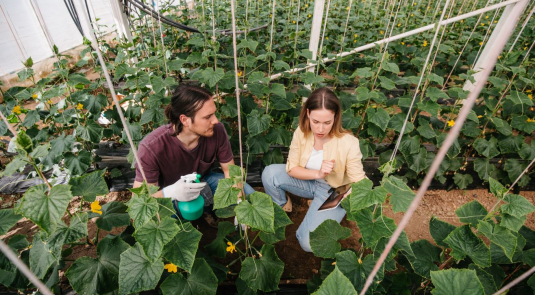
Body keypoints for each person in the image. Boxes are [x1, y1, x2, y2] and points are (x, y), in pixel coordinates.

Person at [262, 87, 366, 252]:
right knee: (270, 174)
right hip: (308, 181)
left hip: (331, 191)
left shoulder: (349, 143)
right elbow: (291, 168)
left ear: (336, 118)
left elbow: (359, 181)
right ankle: (283, 205)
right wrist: (318, 173)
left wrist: (350, 191)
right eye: (316, 122)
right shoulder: (301, 133)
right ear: (308, 113)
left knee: (309, 243)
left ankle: (324, 211)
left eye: (327, 123)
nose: (320, 129)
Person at [133, 84, 254, 223]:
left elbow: (230, 171)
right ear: (185, 120)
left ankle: (206, 210)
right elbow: (139, 202)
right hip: (165, 196)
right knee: (163, 225)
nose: (216, 120)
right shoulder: (151, 147)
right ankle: (183, 222)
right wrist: (171, 192)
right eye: (208, 117)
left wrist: (239, 203)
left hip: (202, 182)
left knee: (248, 195)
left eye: (214, 113)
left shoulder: (217, 130)